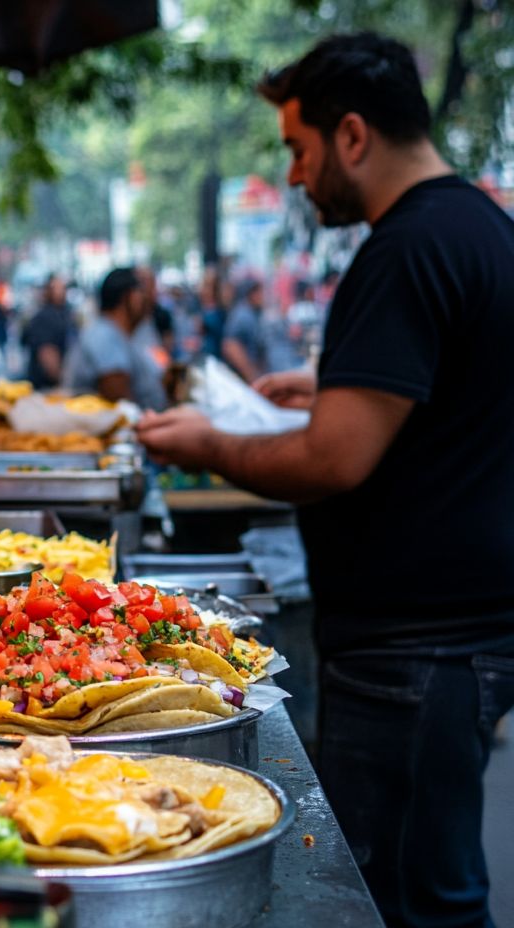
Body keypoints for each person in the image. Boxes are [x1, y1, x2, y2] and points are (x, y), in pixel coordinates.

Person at [135, 32, 514, 928]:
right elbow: (457, 397)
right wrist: (340, 387)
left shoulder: (406, 248)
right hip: (451, 635)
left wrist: (209, 439)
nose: (297, 178)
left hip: (417, 648)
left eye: (299, 151)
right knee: (431, 887)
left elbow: (333, 459)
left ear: (352, 136)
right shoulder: (481, 227)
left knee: (404, 902)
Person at [62, 267, 166, 409]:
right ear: (129, 297)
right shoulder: (104, 335)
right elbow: (121, 401)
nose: (147, 297)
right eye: (141, 290)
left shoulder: (117, 333)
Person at [21, 274, 75, 389]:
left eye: (63, 287)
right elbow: (47, 354)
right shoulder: (45, 317)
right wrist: (62, 382)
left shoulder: (63, 313)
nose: (63, 291)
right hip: (47, 388)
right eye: (57, 288)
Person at [221, 278, 268, 382]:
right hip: (244, 380)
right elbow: (230, 346)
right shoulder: (242, 315)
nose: (263, 296)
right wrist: (253, 377)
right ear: (251, 294)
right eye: (259, 292)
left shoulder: (252, 313)